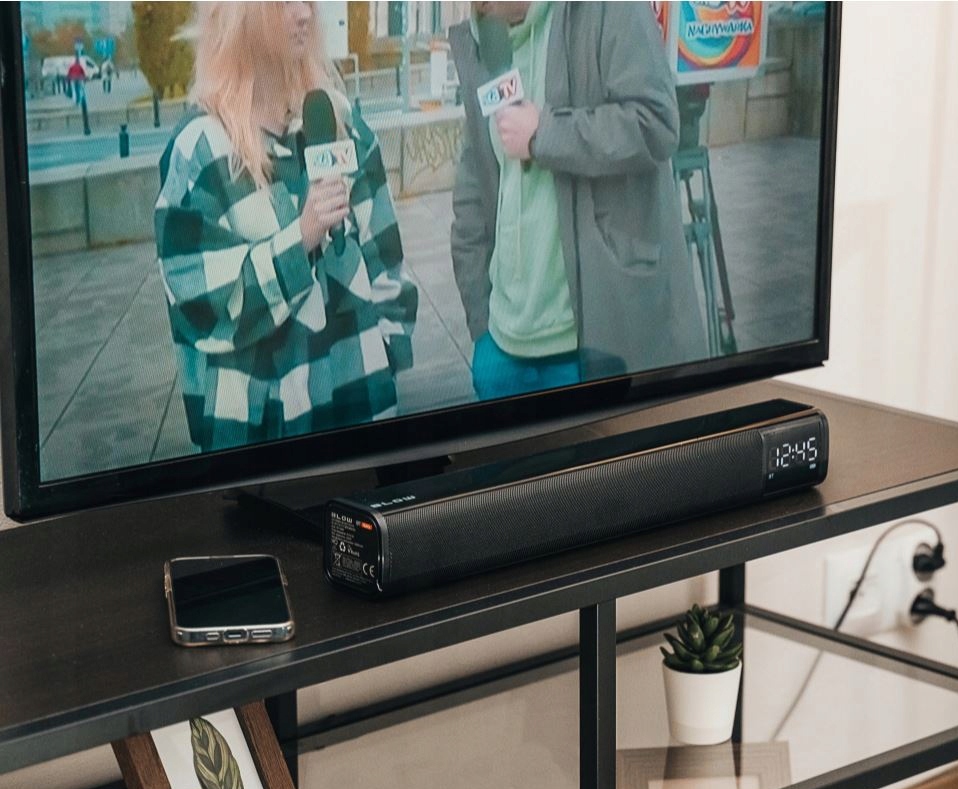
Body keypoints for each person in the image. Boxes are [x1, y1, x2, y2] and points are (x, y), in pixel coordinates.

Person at [154, 2, 416, 453]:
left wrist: (386, 353)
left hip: (360, 409)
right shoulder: (201, 148)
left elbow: (385, 254)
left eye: (308, 0)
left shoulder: (337, 120)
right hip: (261, 439)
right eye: (283, 1)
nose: (304, 14)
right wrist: (301, 237)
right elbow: (201, 305)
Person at [450, 2, 708, 401]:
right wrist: (481, 325)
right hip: (501, 350)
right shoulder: (482, 37)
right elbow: (473, 189)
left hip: (590, 346)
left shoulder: (608, 9)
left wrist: (544, 134)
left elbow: (655, 123)